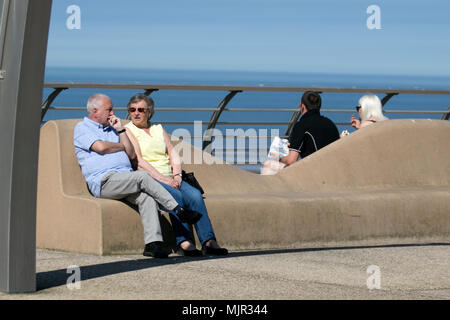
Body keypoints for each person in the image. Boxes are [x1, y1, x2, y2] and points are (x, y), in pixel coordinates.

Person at [73, 94, 202, 259]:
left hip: (125, 179)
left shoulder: (114, 129)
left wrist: (120, 130)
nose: (113, 113)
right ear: (95, 111)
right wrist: (121, 146)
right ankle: (178, 209)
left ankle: (153, 244)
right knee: (141, 176)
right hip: (104, 181)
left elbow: (131, 153)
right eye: (109, 109)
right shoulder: (82, 128)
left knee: (146, 198)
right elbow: (101, 147)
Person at [124, 93, 228, 257]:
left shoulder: (158, 128)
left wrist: (177, 176)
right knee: (176, 197)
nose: (136, 113)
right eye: (132, 109)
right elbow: (138, 160)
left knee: (194, 195)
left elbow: (172, 153)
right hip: (150, 177)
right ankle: (184, 242)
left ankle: (208, 242)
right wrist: (163, 179)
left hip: (171, 177)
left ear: (149, 112)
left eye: (141, 110)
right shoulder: (128, 130)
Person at [261, 91, 340, 174]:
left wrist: (278, 156)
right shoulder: (330, 124)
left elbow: (291, 161)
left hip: (314, 174)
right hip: (333, 171)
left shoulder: (301, 125)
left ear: (302, 106)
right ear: (319, 107)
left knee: (268, 165)